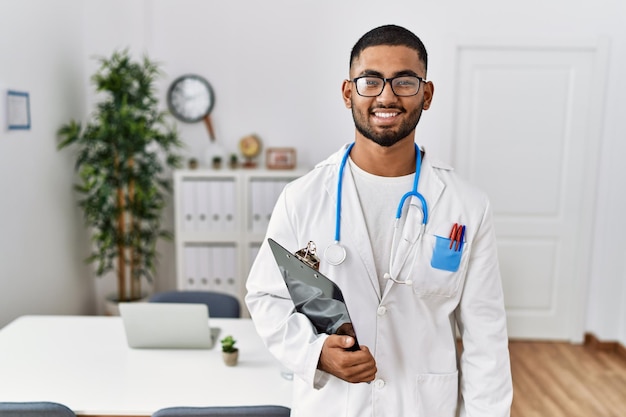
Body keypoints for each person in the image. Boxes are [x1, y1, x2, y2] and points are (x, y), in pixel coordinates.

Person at [245, 24, 512, 417]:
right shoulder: (303, 198)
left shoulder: (465, 205)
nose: (387, 96)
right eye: (371, 80)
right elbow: (267, 297)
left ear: (427, 94)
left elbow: (485, 337)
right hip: (334, 405)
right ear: (348, 91)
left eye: (405, 81)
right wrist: (316, 354)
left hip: (423, 406)